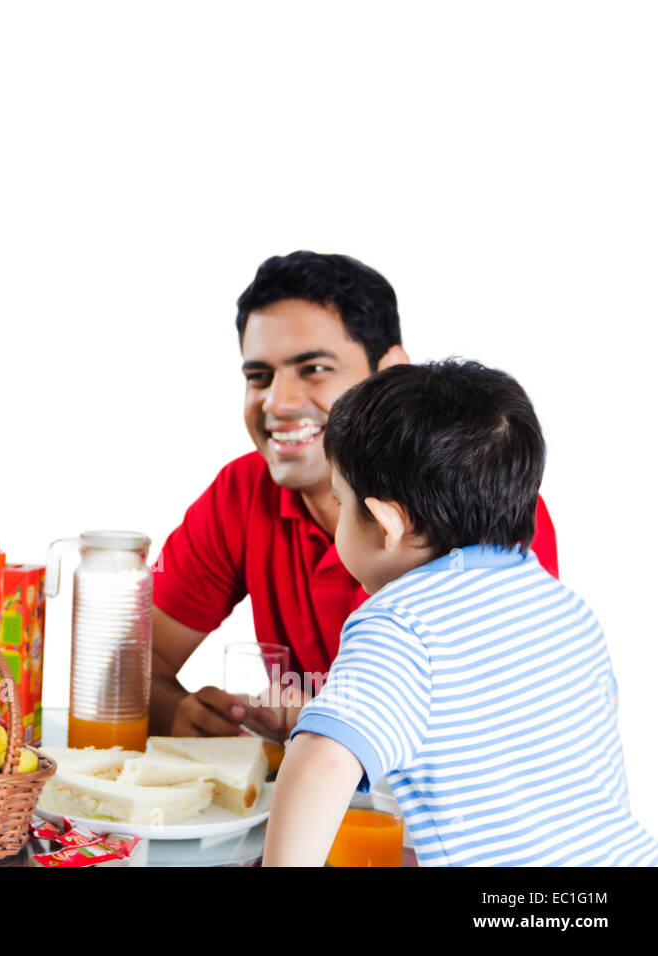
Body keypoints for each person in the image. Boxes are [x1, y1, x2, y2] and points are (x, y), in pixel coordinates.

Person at [150, 251, 559, 740]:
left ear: (392, 371)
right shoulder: (240, 492)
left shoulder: (482, 502)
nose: (277, 402)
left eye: (315, 369)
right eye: (258, 376)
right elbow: (132, 666)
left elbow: (510, 720)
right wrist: (179, 712)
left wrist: (326, 721)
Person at [263, 360, 657, 866]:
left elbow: (320, 759)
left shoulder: (400, 623)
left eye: (341, 504)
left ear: (386, 522)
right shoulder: (568, 609)